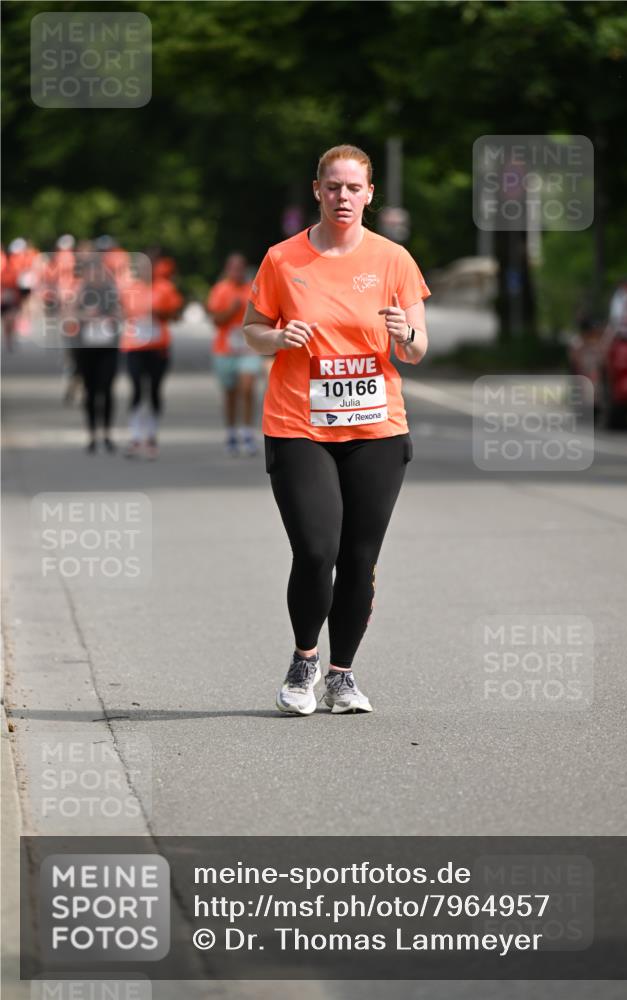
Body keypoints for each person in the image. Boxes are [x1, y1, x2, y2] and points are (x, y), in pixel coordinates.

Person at [243, 144, 430, 715]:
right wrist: (277, 338)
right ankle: (304, 661)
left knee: (358, 559)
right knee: (316, 549)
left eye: (353, 188)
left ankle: (341, 676)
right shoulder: (283, 259)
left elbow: (417, 350)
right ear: (317, 191)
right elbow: (252, 328)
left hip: (376, 429)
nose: (342, 197)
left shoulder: (394, 259)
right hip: (299, 424)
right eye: (333, 187)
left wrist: (404, 334)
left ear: (369, 194)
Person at [120, 255, 183, 459]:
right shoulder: (129, 288)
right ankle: (135, 436)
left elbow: (176, 315)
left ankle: (151, 435)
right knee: (137, 388)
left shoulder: (165, 288)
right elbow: (120, 312)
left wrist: (160, 312)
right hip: (134, 346)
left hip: (158, 347)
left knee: (155, 389)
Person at [207, 253, 262, 456]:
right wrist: (232, 310)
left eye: (240, 268)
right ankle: (231, 433)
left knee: (247, 389)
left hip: (248, 348)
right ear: (227, 269)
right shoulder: (220, 289)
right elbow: (216, 320)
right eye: (233, 268)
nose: (237, 272)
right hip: (225, 349)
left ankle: (247, 433)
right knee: (230, 393)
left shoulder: (253, 288)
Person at [71, 253, 122, 453]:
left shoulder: (110, 291)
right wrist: (85, 316)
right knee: (90, 391)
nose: (95, 276)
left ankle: (107, 434)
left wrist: (110, 317)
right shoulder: (81, 291)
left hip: (108, 347)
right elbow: (70, 314)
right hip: (86, 348)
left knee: (107, 389)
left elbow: (121, 313)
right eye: (91, 273)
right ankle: (92, 435)